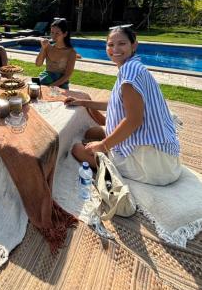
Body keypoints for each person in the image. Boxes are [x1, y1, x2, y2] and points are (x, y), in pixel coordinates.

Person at [66, 26, 181, 185]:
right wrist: (82, 102)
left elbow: (133, 121)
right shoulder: (133, 66)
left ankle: (112, 162)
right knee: (92, 132)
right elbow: (115, 103)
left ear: (134, 45)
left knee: (78, 150)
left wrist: (102, 146)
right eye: (111, 45)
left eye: (122, 44)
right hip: (162, 149)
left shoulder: (129, 75)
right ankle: (109, 148)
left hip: (156, 164)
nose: (115, 49)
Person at [35, 18, 76, 90]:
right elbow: (38, 64)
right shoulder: (48, 47)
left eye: (57, 33)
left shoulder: (71, 52)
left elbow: (67, 75)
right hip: (46, 78)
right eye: (52, 32)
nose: (53, 36)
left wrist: (52, 86)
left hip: (61, 82)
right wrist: (43, 48)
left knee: (58, 98)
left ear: (65, 34)